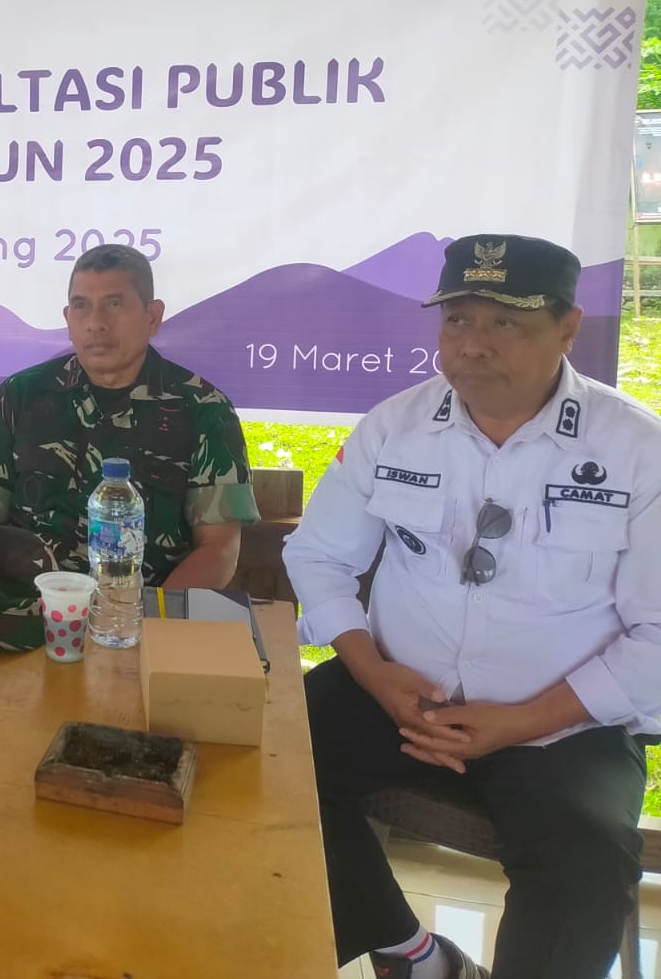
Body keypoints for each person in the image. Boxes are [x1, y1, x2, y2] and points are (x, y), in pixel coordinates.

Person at [286, 234, 660, 979]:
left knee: (585, 865)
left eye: (506, 322)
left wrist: (521, 722)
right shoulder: (394, 426)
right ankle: (411, 955)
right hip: (396, 696)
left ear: (568, 328)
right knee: (258, 767)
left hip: (562, 726)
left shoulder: (637, 450)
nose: (473, 345)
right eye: (457, 320)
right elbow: (319, 557)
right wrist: (373, 674)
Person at [0, 244, 257, 634]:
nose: (96, 323)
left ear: (153, 316)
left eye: (114, 304)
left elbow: (219, 548)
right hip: (25, 617)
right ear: (67, 318)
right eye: (81, 307)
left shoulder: (204, 409)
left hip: (143, 624)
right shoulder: (18, 398)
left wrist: (142, 623)